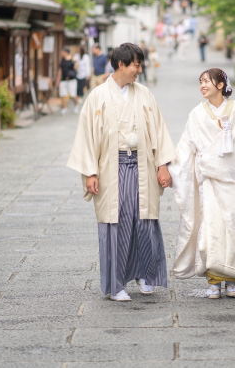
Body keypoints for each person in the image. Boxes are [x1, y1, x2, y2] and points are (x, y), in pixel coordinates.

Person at [67, 43, 177, 302]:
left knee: (144, 219)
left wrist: (163, 165)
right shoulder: (97, 96)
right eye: (136, 65)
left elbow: (159, 131)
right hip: (111, 166)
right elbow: (87, 136)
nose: (139, 70)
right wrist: (90, 173)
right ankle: (116, 284)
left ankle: (145, 275)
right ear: (121, 65)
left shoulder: (145, 94)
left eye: (140, 65)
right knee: (116, 223)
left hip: (142, 164)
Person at [169, 68, 235, 299]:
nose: (202, 86)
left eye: (207, 81)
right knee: (211, 229)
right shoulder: (196, 114)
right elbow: (186, 146)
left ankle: (232, 278)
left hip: (234, 179)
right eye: (200, 82)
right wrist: (170, 170)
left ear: (220, 85)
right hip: (208, 181)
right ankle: (214, 281)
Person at [57, 48, 78, 115]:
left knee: (72, 94)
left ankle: (76, 105)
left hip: (71, 79)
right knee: (63, 94)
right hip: (63, 79)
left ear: (66, 52)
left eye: (62, 52)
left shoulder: (72, 59)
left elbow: (76, 68)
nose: (61, 53)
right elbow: (60, 70)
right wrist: (58, 80)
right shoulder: (62, 60)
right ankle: (65, 108)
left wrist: (75, 62)